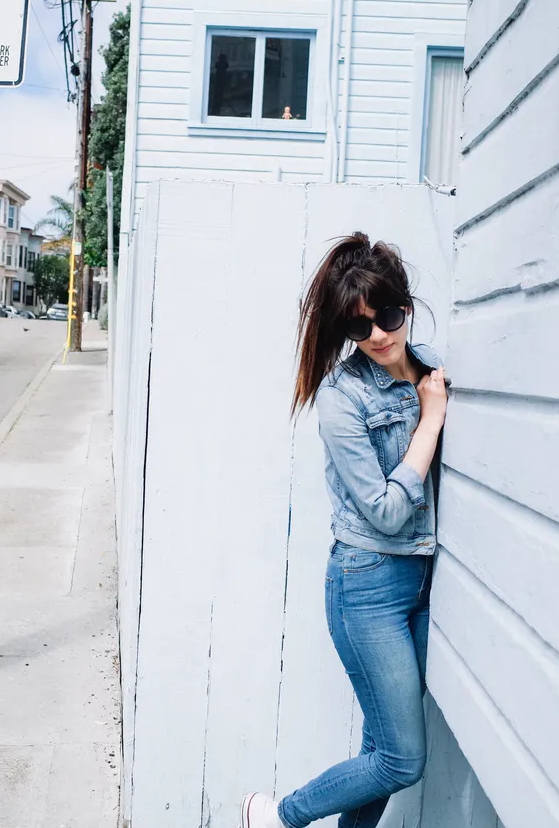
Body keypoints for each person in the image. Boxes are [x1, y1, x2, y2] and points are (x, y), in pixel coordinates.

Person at [241, 233, 448, 828]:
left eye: (387, 316)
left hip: (422, 581)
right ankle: (278, 816)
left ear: (405, 306)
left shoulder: (432, 368)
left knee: (379, 749)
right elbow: (385, 510)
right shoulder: (342, 398)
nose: (380, 335)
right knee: (401, 760)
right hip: (368, 586)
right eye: (360, 328)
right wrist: (430, 421)